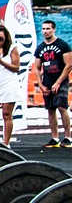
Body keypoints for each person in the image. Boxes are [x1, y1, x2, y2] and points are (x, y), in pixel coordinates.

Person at [35, 20, 72, 148]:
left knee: (62, 107)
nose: (45, 31)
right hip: (47, 82)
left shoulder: (63, 45)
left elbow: (69, 65)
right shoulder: (40, 48)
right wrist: (40, 84)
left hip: (60, 80)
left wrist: (58, 82)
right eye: (43, 29)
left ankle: (68, 137)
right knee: (50, 109)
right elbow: (36, 67)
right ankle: (54, 138)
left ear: (54, 30)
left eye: (48, 29)